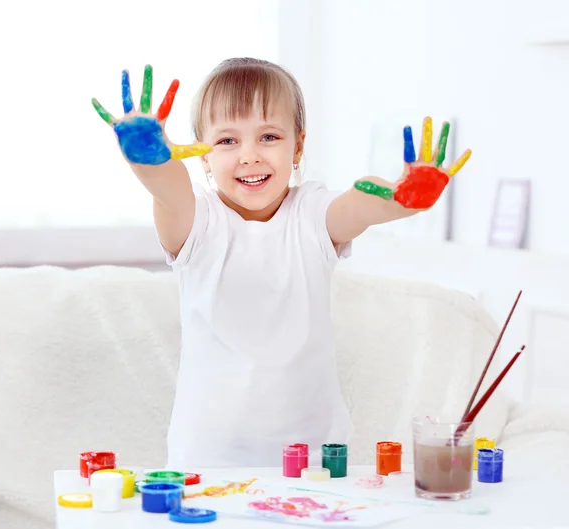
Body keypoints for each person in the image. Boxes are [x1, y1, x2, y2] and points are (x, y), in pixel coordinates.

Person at [91, 57, 470, 470]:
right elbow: (170, 187)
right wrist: (149, 159)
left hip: (316, 455)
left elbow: (358, 204)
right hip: (210, 454)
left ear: (298, 146)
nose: (250, 156)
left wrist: (399, 196)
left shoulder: (312, 213)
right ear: (202, 154)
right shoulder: (195, 221)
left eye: (268, 136)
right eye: (227, 141)